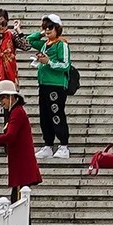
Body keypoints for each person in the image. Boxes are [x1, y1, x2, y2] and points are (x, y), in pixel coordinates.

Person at [0, 79, 42, 209]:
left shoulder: (17, 113)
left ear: (11, 97)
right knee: (19, 205)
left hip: (21, 170)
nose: (1, 102)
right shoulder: (16, 112)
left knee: (19, 206)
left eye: (2, 98)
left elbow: (10, 137)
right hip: (20, 169)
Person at [26, 14, 73, 160]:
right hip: (44, 84)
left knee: (56, 114)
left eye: (50, 27)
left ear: (57, 28)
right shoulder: (46, 44)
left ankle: (63, 145)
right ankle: (48, 144)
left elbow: (66, 65)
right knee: (45, 115)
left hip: (56, 85)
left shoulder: (62, 44)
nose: (47, 30)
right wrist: (41, 32)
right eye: (45, 27)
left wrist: (49, 62)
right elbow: (29, 40)